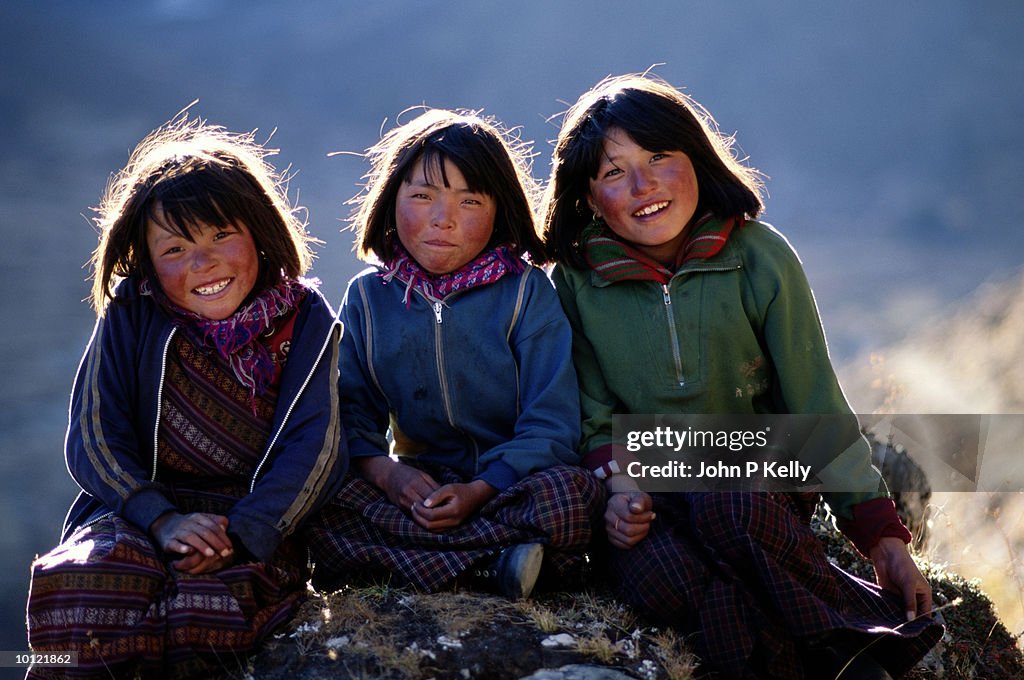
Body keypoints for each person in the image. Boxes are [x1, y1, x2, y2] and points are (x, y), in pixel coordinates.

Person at [542, 74, 943, 678]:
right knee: (665, 576)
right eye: (613, 171)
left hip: (753, 480)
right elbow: (592, 414)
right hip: (650, 493)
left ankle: (860, 647)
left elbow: (816, 404)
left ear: (698, 161)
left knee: (728, 511)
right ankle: (823, 659)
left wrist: (880, 535)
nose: (642, 184)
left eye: (658, 158)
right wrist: (621, 496)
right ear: (589, 197)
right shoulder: (577, 281)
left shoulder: (759, 257)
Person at [26, 113, 347, 679]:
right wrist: (162, 519)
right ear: (146, 259)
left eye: (223, 234)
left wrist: (248, 533)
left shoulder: (305, 319)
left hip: (250, 524)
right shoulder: (134, 311)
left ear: (262, 231)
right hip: (140, 511)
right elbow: (94, 435)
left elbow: (315, 445)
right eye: (175, 249)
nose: (204, 263)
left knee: (208, 607)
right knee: (81, 586)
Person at [305, 109, 603, 600]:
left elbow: (552, 423)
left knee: (571, 495)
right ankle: (496, 563)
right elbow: (350, 417)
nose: (443, 220)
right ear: (390, 200)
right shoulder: (368, 298)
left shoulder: (527, 293)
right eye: (422, 196)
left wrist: (480, 490)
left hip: (511, 483)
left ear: (500, 209)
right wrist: (391, 475)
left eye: (469, 201)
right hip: (421, 483)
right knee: (328, 499)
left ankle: (423, 561)